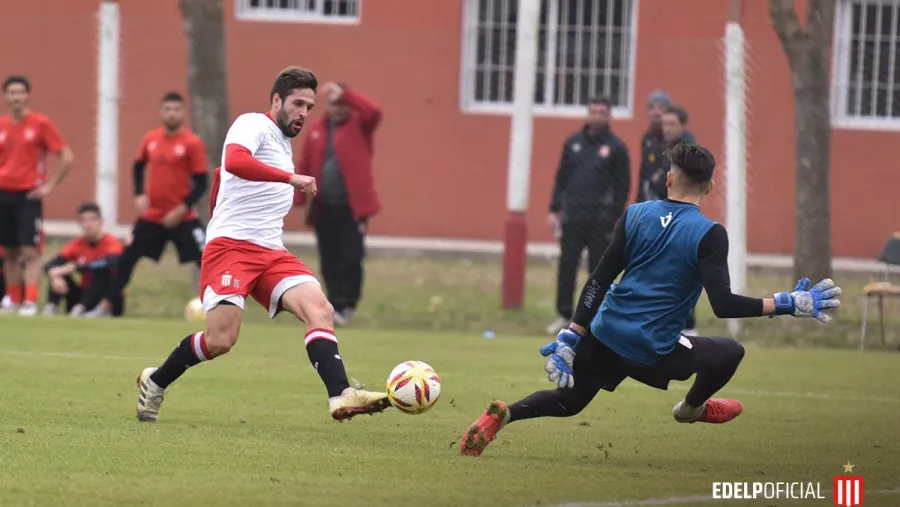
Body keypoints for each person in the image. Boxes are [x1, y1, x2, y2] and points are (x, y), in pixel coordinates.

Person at [460, 142, 842, 456]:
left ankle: (503, 415)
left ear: (670, 178)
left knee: (570, 401)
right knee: (729, 353)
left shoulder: (635, 214)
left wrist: (572, 335)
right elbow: (723, 305)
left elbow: (599, 278)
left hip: (605, 333)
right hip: (654, 350)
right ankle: (691, 409)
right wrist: (788, 303)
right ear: (709, 188)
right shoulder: (710, 233)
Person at [134, 67, 390, 423]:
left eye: (309, 106)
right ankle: (156, 380)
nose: (303, 112)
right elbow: (235, 162)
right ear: (276, 101)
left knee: (321, 310)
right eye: (297, 103)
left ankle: (341, 395)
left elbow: (223, 184)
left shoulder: (283, 146)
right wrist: (291, 177)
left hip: (270, 251)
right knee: (221, 339)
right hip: (231, 249)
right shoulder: (252, 124)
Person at [85, 92, 208, 318]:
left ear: (183, 113)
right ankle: (105, 307)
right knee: (126, 259)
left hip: (182, 218)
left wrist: (182, 209)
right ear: (161, 112)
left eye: (176, 109)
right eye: (168, 109)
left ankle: (220, 310)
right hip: (152, 217)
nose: (172, 114)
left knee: (208, 258)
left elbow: (201, 183)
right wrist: (139, 194)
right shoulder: (151, 139)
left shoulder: (192, 143)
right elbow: (138, 166)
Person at [295, 82, 382, 326]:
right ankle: (334, 302)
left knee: (352, 256)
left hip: (352, 207)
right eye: (333, 103)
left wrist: (346, 94)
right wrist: (300, 201)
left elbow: (374, 111)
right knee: (328, 257)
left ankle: (349, 303)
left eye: (342, 103)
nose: (337, 108)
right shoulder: (317, 129)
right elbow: (305, 163)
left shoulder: (360, 125)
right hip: (323, 206)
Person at [546, 96, 630, 335]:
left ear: (609, 115)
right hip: (573, 216)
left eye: (602, 112)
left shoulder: (616, 147)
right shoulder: (572, 143)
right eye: (593, 111)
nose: (596, 116)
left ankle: (595, 318)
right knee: (567, 266)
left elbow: (623, 185)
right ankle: (563, 314)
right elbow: (561, 177)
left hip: (601, 219)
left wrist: (616, 216)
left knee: (598, 271)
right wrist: (554, 209)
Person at [0, 75, 74, 316]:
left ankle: (31, 301)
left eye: (20, 92)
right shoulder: (2, 125)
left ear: (27, 95)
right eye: (11, 92)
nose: (16, 97)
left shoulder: (41, 124)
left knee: (30, 251)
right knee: (9, 251)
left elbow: (66, 156)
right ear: (5, 97)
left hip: (28, 196)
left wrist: (49, 185)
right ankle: (12, 299)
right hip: (3, 194)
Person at [43, 202, 125, 316]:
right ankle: (51, 308)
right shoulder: (77, 244)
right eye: (83, 220)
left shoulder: (112, 242)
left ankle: (86, 309)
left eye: (92, 219)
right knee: (58, 273)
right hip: (84, 293)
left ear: (100, 222)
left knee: (103, 273)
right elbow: (50, 265)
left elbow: (112, 262)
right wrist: (54, 275)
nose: (88, 224)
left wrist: (77, 267)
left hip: (107, 297)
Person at [661, 104, 700, 335]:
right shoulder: (653, 143)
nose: (666, 128)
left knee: (682, 269)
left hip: (679, 216)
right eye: (664, 123)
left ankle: (689, 325)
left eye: (671, 124)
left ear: (682, 125)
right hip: (658, 214)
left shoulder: (690, 151)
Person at [637, 90, 695, 203]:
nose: (656, 112)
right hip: (651, 200)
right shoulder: (648, 139)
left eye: (660, 107)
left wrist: (659, 178)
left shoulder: (686, 144)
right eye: (651, 107)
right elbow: (644, 174)